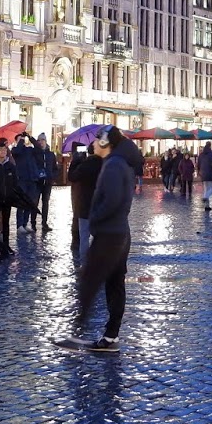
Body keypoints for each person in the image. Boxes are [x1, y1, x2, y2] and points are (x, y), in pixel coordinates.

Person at [58, 125, 142, 351]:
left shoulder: (114, 165)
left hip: (109, 235)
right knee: (114, 285)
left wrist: (95, 220)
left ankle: (78, 334)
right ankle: (111, 336)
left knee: (89, 283)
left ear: (105, 142)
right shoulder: (120, 163)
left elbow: (112, 200)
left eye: (96, 140)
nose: (93, 144)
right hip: (120, 232)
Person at [68, 142, 102, 259]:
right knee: (99, 238)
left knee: (84, 238)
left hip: (85, 206)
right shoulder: (105, 164)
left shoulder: (85, 165)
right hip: (99, 206)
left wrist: (75, 161)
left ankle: (85, 266)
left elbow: (72, 177)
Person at [34, 135, 57, 231]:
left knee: (46, 202)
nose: (41, 142)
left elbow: (55, 167)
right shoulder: (35, 153)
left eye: (43, 140)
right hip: (37, 182)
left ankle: (44, 223)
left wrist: (52, 176)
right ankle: (33, 223)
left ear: (46, 141)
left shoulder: (51, 154)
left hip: (47, 182)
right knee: (34, 202)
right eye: (39, 140)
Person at [197, 142, 212, 210]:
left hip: (203, 174)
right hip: (211, 174)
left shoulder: (201, 155)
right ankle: (205, 197)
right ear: (210, 146)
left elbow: (198, 164)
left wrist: (199, 171)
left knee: (206, 189)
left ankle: (207, 206)